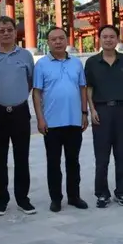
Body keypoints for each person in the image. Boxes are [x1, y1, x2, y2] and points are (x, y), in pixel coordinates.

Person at [0, 16, 36, 216]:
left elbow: (30, 81)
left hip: (20, 111)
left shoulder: (26, 56)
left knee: (22, 157)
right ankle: (2, 199)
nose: (6, 33)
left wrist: (17, 96)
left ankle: (23, 199)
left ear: (15, 32)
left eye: (9, 30)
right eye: (1, 30)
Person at [32, 27, 89, 213]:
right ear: (48, 42)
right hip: (51, 122)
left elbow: (82, 88)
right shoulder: (41, 65)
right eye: (53, 39)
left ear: (66, 40)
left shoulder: (76, 63)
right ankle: (56, 198)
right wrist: (40, 118)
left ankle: (74, 196)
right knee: (53, 163)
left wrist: (84, 113)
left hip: (74, 121)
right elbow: (37, 93)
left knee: (73, 161)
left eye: (61, 38)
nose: (58, 42)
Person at [85, 25, 123, 208]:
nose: (108, 40)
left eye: (112, 36)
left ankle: (122, 192)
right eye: (104, 36)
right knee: (102, 156)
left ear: (117, 39)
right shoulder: (92, 62)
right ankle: (102, 193)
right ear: (99, 39)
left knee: (121, 154)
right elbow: (89, 88)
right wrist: (92, 110)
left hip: (122, 110)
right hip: (101, 111)